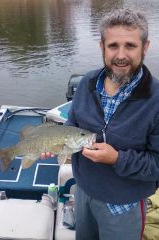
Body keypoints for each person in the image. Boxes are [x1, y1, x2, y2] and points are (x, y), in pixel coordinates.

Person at [42, 8, 159, 240]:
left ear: (145, 47)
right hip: (84, 191)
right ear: (102, 47)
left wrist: (117, 159)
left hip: (123, 205)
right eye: (113, 45)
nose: (121, 55)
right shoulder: (87, 82)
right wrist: (53, 143)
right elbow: (71, 127)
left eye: (131, 46)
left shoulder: (156, 100)